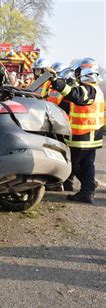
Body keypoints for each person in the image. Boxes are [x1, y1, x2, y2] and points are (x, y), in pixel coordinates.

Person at [50, 59, 104, 203]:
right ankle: (87, 192)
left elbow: (77, 95)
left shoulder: (89, 89)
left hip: (84, 134)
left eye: (78, 72)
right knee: (86, 164)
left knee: (72, 165)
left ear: (84, 72)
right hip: (89, 134)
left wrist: (61, 86)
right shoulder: (95, 89)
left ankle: (89, 187)